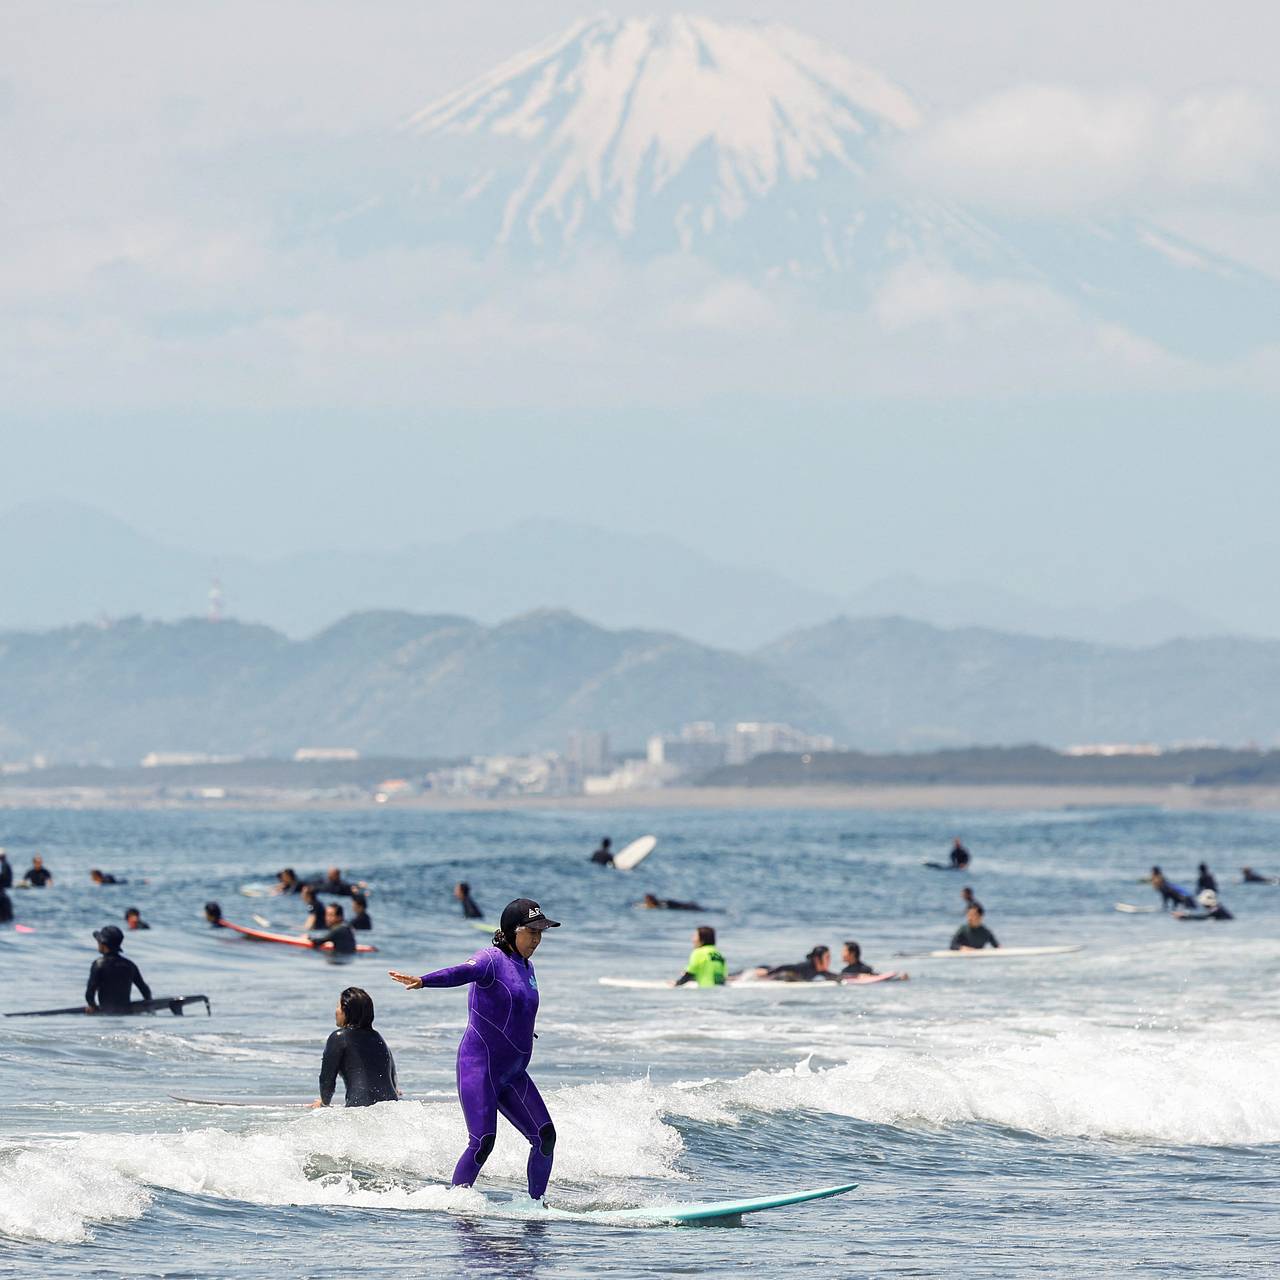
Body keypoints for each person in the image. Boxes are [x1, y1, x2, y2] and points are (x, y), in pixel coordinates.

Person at [389, 898, 560, 1203]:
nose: (536, 939)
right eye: (531, 931)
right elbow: (460, 973)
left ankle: (537, 1207)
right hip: (480, 1067)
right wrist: (423, 981)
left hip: (514, 1073)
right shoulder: (490, 959)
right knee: (483, 1141)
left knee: (545, 1137)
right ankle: (456, 1204)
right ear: (511, 931)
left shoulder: (527, 966)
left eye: (540, 932)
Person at [312, 987, 399, 1108]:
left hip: (360, 1108)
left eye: (338, 1006)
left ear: (346, 1010)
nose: (336, 1011)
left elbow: (327, 1079)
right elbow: (392, 1075)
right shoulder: (377, 1037)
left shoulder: (339, 1037)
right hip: (392, 1106)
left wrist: (324, 1103)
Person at [85, 925, 151, 1012]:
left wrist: (92, 1007)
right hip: (126, 1011)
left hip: (106, 1013)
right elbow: (145, 990)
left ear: (103, 944)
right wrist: (149, 1007)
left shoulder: (98, 965)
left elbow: (90, 994)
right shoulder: (130, 965)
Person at [756, 945, 838, 982]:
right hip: (770, 970)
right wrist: (768, 972)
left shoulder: (820, 971)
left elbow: (832, 975)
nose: (829, 960)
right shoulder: (804, 967)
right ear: (817, 959)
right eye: (827, 957)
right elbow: (784, 967)